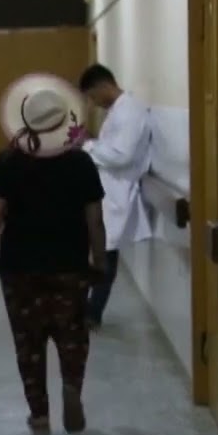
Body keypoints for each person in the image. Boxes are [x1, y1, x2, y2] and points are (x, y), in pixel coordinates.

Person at [0, 74, 107, 432]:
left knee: (28, 342)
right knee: (72, 335)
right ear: (64, 120)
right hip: (69, 265)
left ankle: (39, 413)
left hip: (19, 267)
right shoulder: (80, 163)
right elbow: (95, 219)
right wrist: (100, 261)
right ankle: (71, 386)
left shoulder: (9, 161)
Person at [77, 63, 154, 329]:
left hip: (116, 192)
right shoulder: (119, 110)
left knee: (105, 255)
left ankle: (92, 313)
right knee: (101, 252)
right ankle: (89, 309)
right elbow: (110, 148)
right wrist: (90, 142)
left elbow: (122, 156)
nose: (94, 103)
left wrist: (86, 145)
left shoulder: (130, 111)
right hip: (107, 190)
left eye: (92, 96)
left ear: (103, 86)